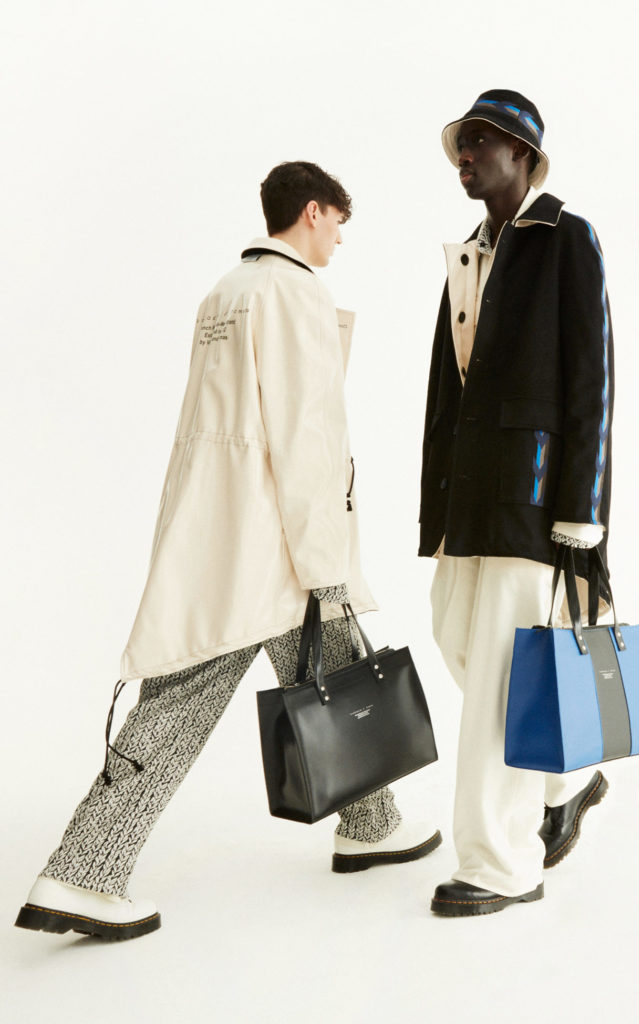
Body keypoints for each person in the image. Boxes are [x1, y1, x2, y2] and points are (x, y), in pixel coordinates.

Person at [16, 161, 440, 941]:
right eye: (337, 221)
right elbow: (304, 436)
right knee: (188, 696)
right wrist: (325, 562)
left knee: (333, 667)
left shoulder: (227, 291)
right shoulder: (293, 292)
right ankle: (82, 873)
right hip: (271, 539)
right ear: (311, 212)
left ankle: (372, 822)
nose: (340, 238)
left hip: (217, 525)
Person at [419, 91, 613, 917]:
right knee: (455, 638)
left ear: (523, 155)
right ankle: (565, 779)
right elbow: (447, 387)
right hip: (469, 494)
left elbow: (591, 379)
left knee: (500, 676)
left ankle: (499, 864)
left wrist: (583, 508)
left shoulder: (566, 238)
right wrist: (433, 506)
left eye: (478, 142)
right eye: (459, 145)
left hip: (533, 499)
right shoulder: (468, 253)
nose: (463, 156)